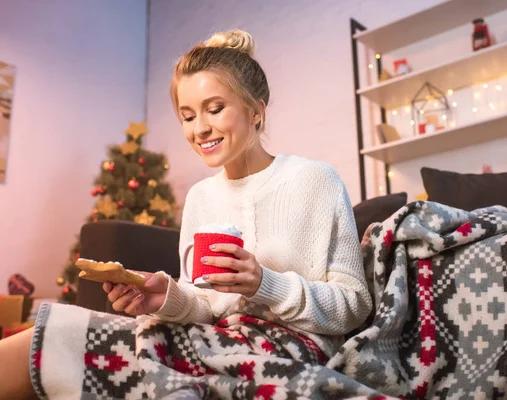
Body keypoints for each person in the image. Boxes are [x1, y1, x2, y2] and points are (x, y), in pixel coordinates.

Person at [0, 29, 371, 399]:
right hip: (214, 341)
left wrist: (265, 284)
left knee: (68, 343)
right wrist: (164, 299)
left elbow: (355, 307)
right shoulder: (201, 197)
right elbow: (205, 307)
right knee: (56, 333)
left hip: (292, 352)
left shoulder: (314, 180)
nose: (199, 129)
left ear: (256, 110)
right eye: (187, 116)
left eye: (215, 109)